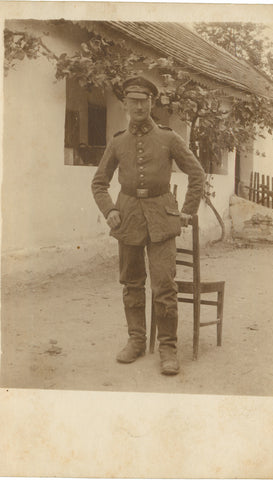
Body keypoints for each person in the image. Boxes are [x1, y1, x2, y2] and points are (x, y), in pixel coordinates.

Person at [91, 76, 205, 375]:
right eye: (133, 101)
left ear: (151, 103)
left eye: (144, 100)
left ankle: (168, 347)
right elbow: (99, 183)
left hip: (162, 218)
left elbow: (197, 174)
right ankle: (136, 340)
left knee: (164, 286)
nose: (138, 106)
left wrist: (187, 212)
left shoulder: (169, 138)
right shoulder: (117, 141)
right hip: (127, 217)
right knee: (131, 282)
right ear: (125, 104)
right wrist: (110, 210)